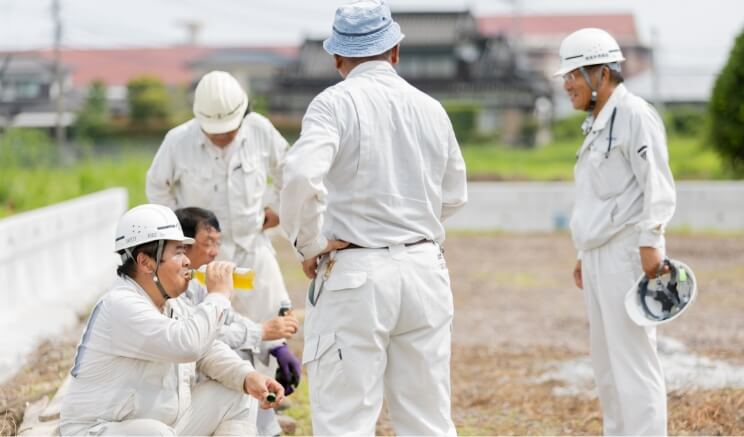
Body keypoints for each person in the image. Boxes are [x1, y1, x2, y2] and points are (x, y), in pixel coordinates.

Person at [279, 1, 468, 435]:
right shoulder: (431, 109)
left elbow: (301, 177)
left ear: (337, 58)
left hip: (356, 273)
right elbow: (454, 193)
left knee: (346, 419)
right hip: (424, 270)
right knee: (427, 418)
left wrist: (309, 244)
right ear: (395, 51)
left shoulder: (333, 104)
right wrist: (414, 221)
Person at [146, 71, 297, 435]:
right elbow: (157, 189)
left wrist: (276, 211)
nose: (222, 135)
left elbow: (291, 173)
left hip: (251, 250)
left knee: (271, 331)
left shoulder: (260, 130)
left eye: (229, 129)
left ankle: (266, 416)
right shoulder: (178, 141)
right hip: (202, 264)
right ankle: (224, 412)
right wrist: (181, 238)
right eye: (214, 131)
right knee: (213, 334)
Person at [59, 204, 284, 436]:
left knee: (236, 395)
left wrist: (247, 376)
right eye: (177, 252)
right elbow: (187, 344)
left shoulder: (170, 304)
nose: (186, 261)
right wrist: (217, 296)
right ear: (146, 262)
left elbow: (207, 349)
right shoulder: (121, 305)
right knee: (155, 433)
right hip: (99, 429)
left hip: (162, 427)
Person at [555, 28, 676, 435]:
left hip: (626, 254)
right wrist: (582, 251)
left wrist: (651, 243)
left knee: (634, 365)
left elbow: (656, 185)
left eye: (573, 73)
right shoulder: (596, 123)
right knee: (607, 367)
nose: (566, 83)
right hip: (597, 255)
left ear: (601, 73)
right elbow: (600, 195)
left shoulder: (635, 115)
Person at [174, 206, 301, 396]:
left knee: (244, 366)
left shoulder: (198, 280)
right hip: (175, 391)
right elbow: (205, 337)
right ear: (183, 245)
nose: (215, 252)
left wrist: (274, 345)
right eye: (208, 243)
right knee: (239, 369)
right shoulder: (170, 286)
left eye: (218, 243)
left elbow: (229, 318)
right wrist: (261, 332)